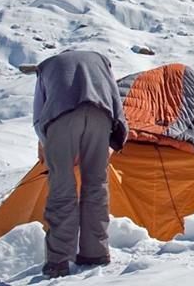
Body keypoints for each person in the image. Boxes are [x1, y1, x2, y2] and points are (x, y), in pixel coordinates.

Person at [33, 50, 128, 279]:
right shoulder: (101, 59)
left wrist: (50, 146)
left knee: (62, 188)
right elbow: (115, 98)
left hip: (60, 117)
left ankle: (58, 261)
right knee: (96, 185)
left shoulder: (47, 66)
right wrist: (118, 134)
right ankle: (95, 252)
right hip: (100, 116)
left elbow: (39, 114)